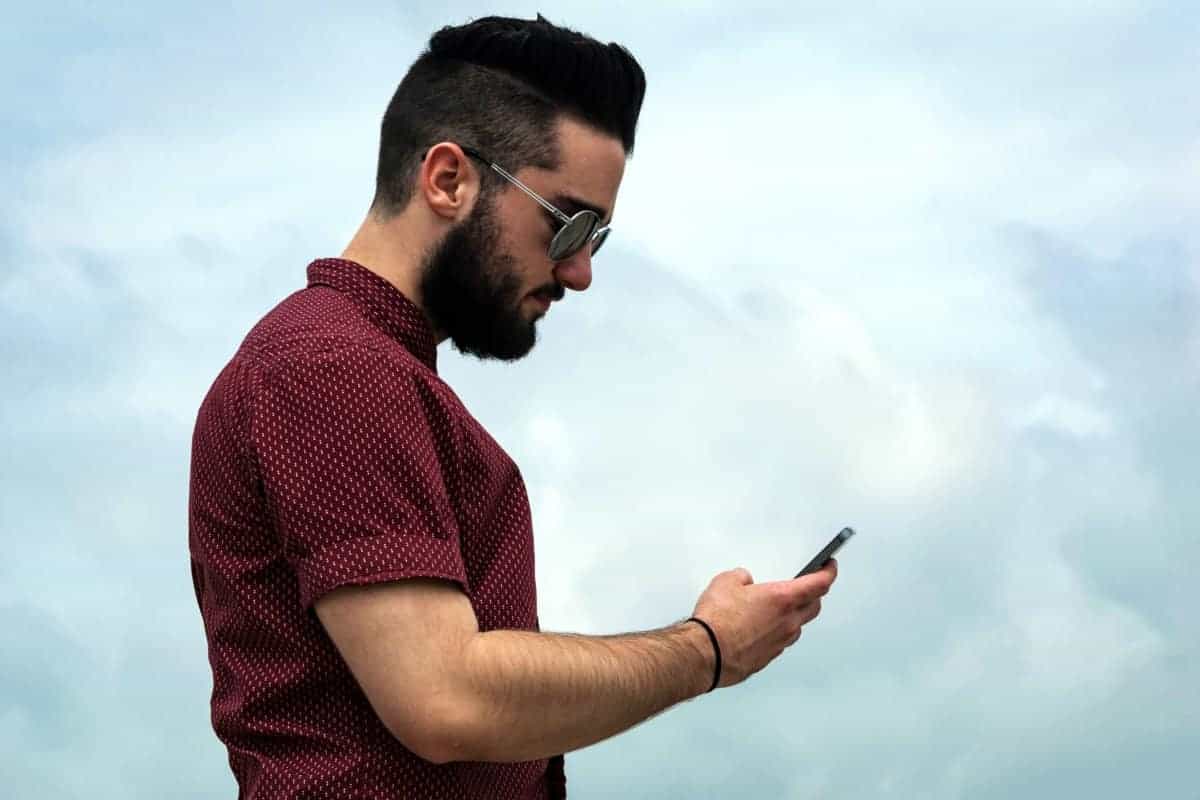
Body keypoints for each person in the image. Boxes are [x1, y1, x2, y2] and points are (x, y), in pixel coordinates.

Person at [188, 13, 838, 800]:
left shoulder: (363, 369)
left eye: (598, 239)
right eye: (569, 224)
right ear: (448, 179)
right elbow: (444, 697)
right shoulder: (332, 368)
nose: (579, 274)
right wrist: (706, 649)